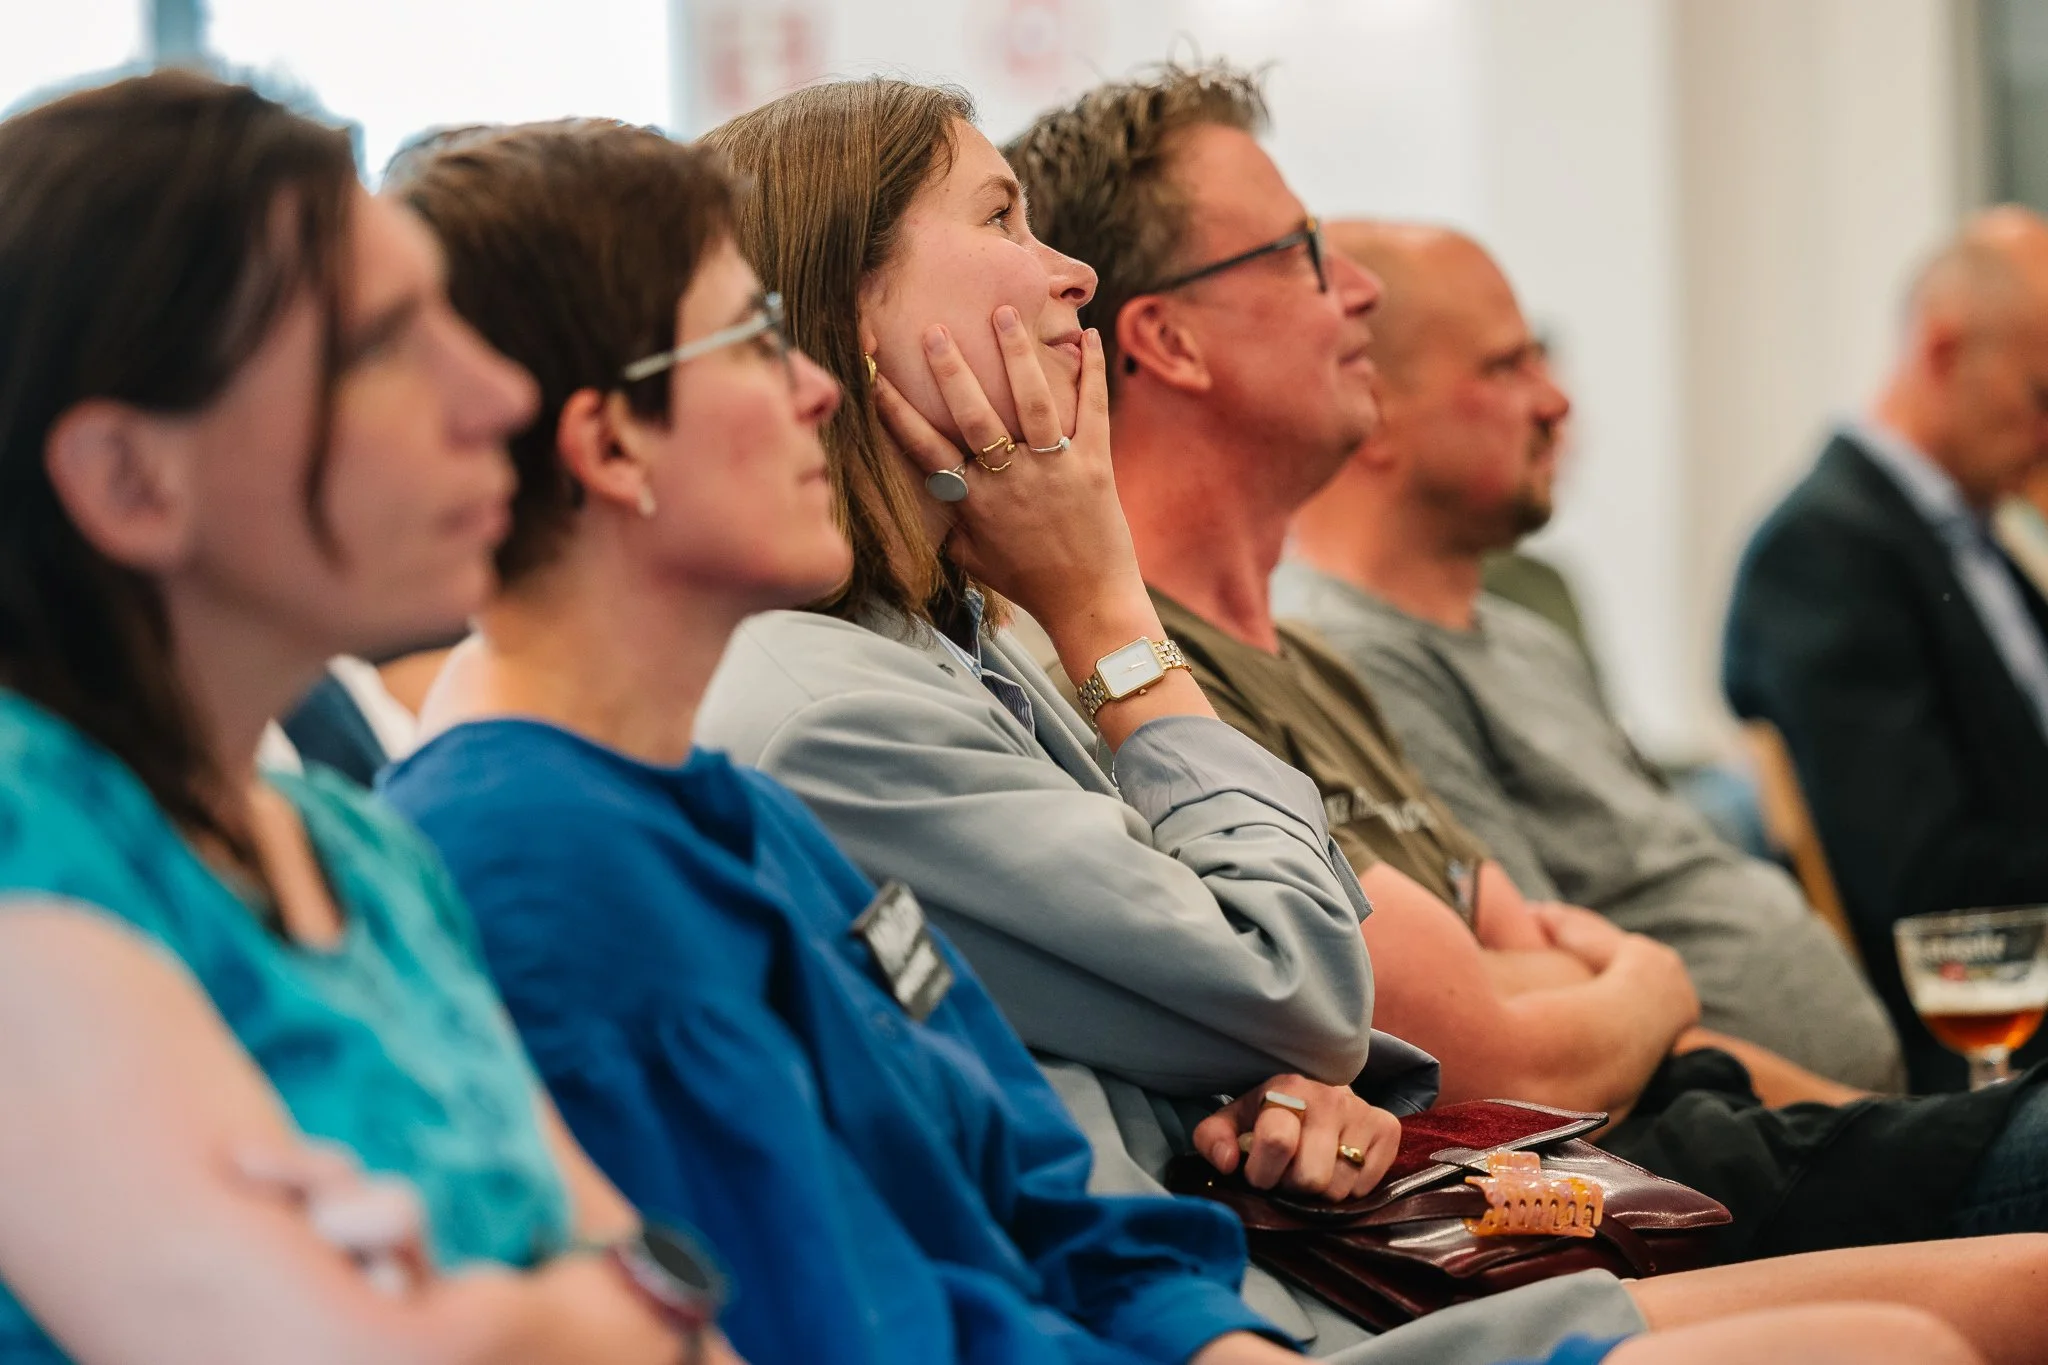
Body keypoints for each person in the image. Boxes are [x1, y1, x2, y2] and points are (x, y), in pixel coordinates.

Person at [372, 95, 2048, 1365]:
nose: (805, 386)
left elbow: (1068, 1157)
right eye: (758, 340)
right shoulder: (750, 739)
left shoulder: (814, 739)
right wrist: (1106, 610)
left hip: (1296, 1254)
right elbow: (1303, 991)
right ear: (609, 439)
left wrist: (1291, 1104)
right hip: (1312, 1277)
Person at [1005, 88, 2048, 1263]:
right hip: (1588, 1203)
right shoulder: (1140, 686)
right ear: (1169, 341)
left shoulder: (1321, 670)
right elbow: (1490, 1052)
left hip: (1709, 1134)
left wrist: (1585, 989)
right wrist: (1639, 984)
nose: (1355, 288)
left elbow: (1521, 964)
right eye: (1300, 255)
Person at [0, 72, 732, 1365]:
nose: (501, 395)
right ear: (128, 478)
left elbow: (677, 1320)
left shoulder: (362, 850)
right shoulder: (24, 836)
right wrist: (576, 1310)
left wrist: (497, 1320)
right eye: (385, 347)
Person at [1272, 221, 1900, 1093]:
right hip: (1730, 1156)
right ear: (1371, 407)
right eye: (1507, 368)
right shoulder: (1356, 659)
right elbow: (1562, 1001)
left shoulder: (1525, 636)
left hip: (1826, 1125)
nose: (1556, 403)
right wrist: (1863, 1123)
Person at [1724, 207, 2048, 1090]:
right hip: (1977, 1053)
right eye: (2042, 394)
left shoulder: (1974, 539)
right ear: (1944, 352)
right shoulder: (1826, 553)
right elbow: (1927, 886)